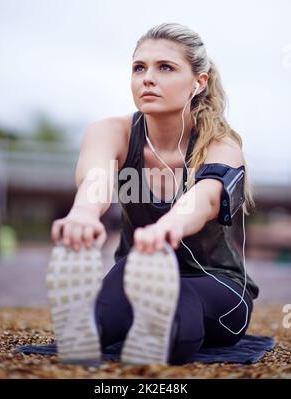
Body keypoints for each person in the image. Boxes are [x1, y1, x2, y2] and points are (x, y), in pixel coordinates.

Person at [47, 22, 259, 366]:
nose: (147, 78)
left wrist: (168, 227)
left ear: (198, 82)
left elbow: (204, 198)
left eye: (165, 68)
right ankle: (92, 328)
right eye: (139, 68)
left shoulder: (222, 144)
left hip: (212, 283)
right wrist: (83, 214)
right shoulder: (110, 131)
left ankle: (159, 333)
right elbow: (96, 180)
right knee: (107, 306)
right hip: (136, 270)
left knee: (179, 315)